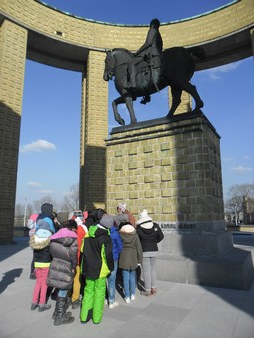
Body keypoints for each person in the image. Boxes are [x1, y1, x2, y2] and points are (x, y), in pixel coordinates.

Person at [80, 213, 114, 324]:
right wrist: (111, 268)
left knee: (88, 291)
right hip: (100, 270)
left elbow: (82, 251)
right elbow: (108, 255)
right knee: (99, 293)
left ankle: (84, 317)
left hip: (88, 267)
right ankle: (96, 318)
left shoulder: (88, 234)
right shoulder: (106, 238)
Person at [46, 219, 78, 326]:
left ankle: (56, 313)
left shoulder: (55, 237)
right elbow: (73, 255)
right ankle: (60, 316)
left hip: (55, 263)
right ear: (73, 228)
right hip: (66, 265)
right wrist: (74, 266)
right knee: (63, 289)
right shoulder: (73, 238)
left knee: (60, 287)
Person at [130, 18, 163, 103]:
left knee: (131, 64)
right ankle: (146, 94)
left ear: (152, 24)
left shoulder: (152, 30)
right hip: (156, 55)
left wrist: (137, 52)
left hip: (149, 53)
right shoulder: (159, 34)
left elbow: (148, 43)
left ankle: (133, 87)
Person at [136, 209, 164, 296]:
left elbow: (137, 241)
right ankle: (154, 288)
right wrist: (154, 241)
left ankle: (147, 290)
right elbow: (161, 236)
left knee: (146, 271)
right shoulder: (155, 225)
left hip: (144, 251)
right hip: (154, 250)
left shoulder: (139, 229)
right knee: (152, 269)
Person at [118, 214, 143, 303]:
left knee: (125, 277)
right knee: (133, 277)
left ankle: (127, 296)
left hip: (124, 258)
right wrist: (140, 260)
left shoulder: (120, 235)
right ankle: (133, 294)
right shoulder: (135, 235)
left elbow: (118, 247)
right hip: (133, 258)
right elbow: (139, 248)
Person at [68, 212, 88, 309]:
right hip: (78, 257)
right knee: (76, 279)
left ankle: (67, 296)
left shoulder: (67, 227)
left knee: (68, 278)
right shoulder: (82, 228)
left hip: (67, 257)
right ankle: (75, 298)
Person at [30, 227, 52, 312]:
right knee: (44, 284)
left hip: (37, 264)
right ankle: (42, 304)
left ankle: (34, 302)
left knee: (38, 282)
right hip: (46, 264)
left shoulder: (35, 243)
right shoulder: (47, 243)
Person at [106, 215, 123, 309]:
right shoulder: (115, 233)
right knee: (112, 280)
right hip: (114, 258)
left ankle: (105, 298)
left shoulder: (103, 232)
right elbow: (120, 246)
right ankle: (111, 301)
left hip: (104, 258)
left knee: (103, 279)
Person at [27, 213, 39, 279]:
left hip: (33, 241)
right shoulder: (36, 225)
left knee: (34, 257)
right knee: (36, 257)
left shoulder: (30, 224)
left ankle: (32, 273)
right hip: (37, 240)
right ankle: (35, 272)